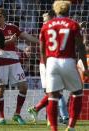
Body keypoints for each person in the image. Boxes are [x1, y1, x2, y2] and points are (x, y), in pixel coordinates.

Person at [39, 1, 89, 131]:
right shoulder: (73, 24)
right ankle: (71, 127)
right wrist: (85, 67)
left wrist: (45, 65)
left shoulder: (47, 25)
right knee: (77, 92)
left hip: (51, 62)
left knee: (52, 96)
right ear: (68, 10)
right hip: (67, 61)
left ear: (55, 10)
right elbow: (81, 48)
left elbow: (42, 49)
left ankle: (54, 129)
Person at [0, 8, 38, 125]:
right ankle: (2, 117)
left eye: (0, 16)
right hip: (0, 61)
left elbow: (26, 36)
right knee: (0, 90)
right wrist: (9, 40)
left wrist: (40, 41)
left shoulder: (12, 28)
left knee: (24, 86)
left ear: (4, 17)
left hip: (14, 61)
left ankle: (17, 114)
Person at [28, 10, 69, 125]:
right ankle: (62, 117)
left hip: (53, 63)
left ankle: (45, 114)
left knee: (54, 92)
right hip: (46, 64)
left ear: (53, 18)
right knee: (55, 91)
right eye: (43, 21)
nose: (44, 23)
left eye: (46, 20)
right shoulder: (46, 31)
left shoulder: (57, 30)